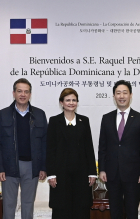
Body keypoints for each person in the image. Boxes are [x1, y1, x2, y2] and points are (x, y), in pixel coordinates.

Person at [0, 78, 48, 219]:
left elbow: (44, 143)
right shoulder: (3, 114)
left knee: (28, 204)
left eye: (26, 91)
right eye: (19, 91)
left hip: (32, 166)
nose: (23, 94)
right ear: (14, 93)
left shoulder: (39, 114)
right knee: (9, 205)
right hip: (9, 166)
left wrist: (43, 167)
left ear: (30, 94)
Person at [98, 80, 140, 219]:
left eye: (125, 93)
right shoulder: (106, 118)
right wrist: (102, 169)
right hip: (112, 173)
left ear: (131, 95)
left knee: (131, 211)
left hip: (134, 175)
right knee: (115, 210)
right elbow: (102, 146)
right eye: (118, 93)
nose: (121, 96)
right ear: (114, 96)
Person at [46, 88, 97, 219]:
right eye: (68, 100)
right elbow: (50, 149)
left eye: (74, 100)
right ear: (61, 102)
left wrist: (92, 172)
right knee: (61, 209)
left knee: (81, 209)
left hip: (82, 174)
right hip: (60, 175)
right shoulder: (54, 121)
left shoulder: (84, 121)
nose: (71, 102)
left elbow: (89, 148)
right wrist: (51, 174)